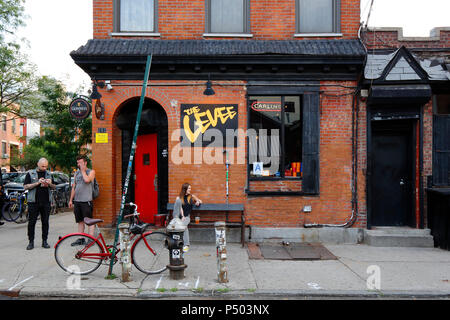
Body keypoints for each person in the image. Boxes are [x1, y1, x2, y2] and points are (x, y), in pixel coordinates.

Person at [23, 158, 56, 250]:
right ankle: (31, 242)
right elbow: (25, 186)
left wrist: (50, 184)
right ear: (38, 164)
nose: (44, 168)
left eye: (46, 166)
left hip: (46, 202)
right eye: (42, 166)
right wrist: (38, 182)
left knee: (45, 222)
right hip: (33, 202)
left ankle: (44, 241)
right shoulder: (30, 173)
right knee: (31, 222)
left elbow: (54, 187)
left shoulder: (49, 174)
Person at [69, 155, 96, 246]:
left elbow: (87, 180)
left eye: (80, 162)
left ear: (85, 163)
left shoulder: (91, 172)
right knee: (80, 220)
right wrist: (71, 200)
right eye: (77, 163)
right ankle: (81, 238)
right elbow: (74, 187)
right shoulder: (76, 173)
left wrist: (83, 171)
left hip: (86, 201)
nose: (78, 164)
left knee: (89, 220)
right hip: (77, 201)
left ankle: (91, 239)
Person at [173, 183, 202, 253]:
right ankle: (181, 243)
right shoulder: (179, 198)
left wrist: (197, 202)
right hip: (179, 217)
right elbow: (180, 208)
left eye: (190, 188)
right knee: (183, 226)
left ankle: (186, 245)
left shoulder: (191, 196)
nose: (190, 190)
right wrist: (182, 216)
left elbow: (200, 201)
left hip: (187, 217)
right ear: (185, 189)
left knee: (183, 226)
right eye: (189, 188)